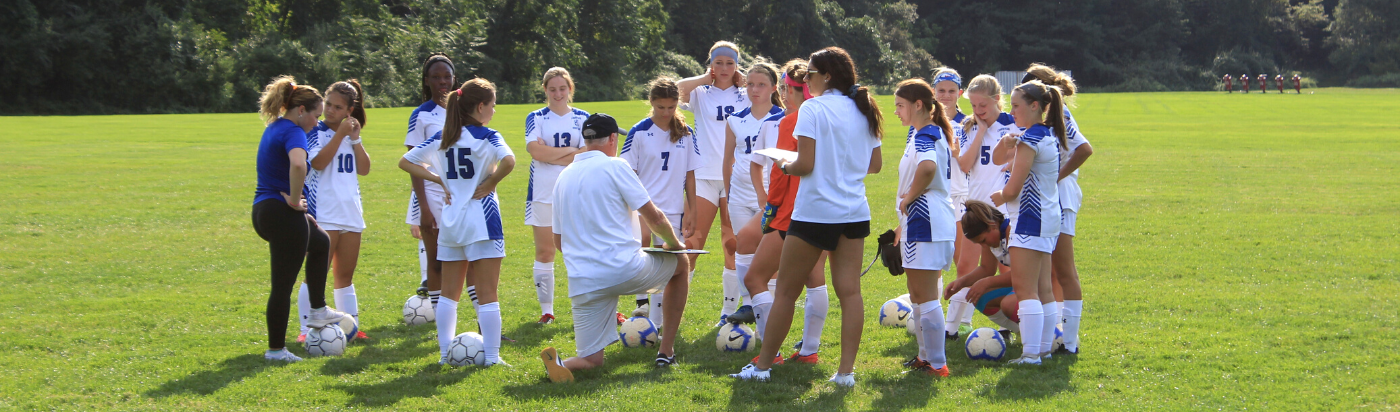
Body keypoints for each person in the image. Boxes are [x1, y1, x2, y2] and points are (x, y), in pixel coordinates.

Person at [730, 47, 883, 387]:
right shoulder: (864, 108)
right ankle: (845, 374)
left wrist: (784, 164)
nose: (806, 79)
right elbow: (875, 166)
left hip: (815, 213)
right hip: (854, 212)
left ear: (826, 75)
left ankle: (763, 367)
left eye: (810, 73)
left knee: (785, 291)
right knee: (851, 293)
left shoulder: (813, 108)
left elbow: (805, 164)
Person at [540, 113, 694, 383]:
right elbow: (654, 217)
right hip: (624, 269)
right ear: (613, 139)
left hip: (583, 282)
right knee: (681, 265)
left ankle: (563, 363)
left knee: (591, 361)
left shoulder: (563, 177)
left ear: (585, 141)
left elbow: (559, 243)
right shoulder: (616, 165)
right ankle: (666, 351)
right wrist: (674, 244)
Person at [400, 78, 516, 367]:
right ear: (480, 106)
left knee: (449, 295)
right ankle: (491, 357)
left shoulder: (443, 137)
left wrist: (437, 178)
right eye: (492, 105)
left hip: (450, 222)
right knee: (488, 293)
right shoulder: (488, 136)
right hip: (482, 221)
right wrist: (491, 183)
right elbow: (510, 161)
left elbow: (406, 161)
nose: (494, 111)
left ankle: (443, 355)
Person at [728, 59, 829, 366]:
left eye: (786, 88)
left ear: (798, 90)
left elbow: (783, 172)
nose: (783, 94)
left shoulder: (791, 122)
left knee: (755, 278)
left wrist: (770, 211)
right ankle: (810, 350)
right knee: (815, 278)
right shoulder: (825, 117)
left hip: (791, 213)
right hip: (825, 210)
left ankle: (771, 352)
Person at [250, 76, 352, 362]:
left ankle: (318, 309)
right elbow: (297, 164)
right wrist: (295, 202)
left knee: (320, 242)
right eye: (316, 115)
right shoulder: (294, 131)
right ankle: (275, 350)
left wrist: (300, 211)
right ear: (300, 111)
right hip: (281, 212)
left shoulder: (276, 127)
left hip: (264, 210)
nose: (316, 122)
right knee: (282, 285)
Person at [989, 79, 1067, 365]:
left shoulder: (1031, 140)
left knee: (1026, 289)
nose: (1013, 111)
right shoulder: (1042, 135)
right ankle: (1043, 349)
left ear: (1035, 106)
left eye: (1016, 106)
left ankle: (1031, 354)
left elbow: (1012, 189)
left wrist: (997, 197)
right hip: (1047, 219)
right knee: (1043, 288)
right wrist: (1007, 141)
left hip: (1029, 220)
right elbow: (999, 158)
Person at [677, 41, 750, 324]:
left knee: (732, 244)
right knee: (690, 242)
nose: (724, 68)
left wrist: (745, 81)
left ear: (737, 66)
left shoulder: (746, 94)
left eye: (729, 63)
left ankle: (728, 311)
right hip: (704, 177)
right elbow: (676, 89)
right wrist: (703, 78)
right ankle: (674, 310)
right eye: (718, 62)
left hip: (734, 179)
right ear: (710, 64)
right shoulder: (700, 93)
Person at [619, 77, 701, 328]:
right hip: (645, 207)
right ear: (651, 102)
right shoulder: (639, 131)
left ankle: (659, 323)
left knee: (669, 267)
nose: (666, 113)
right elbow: (627, 172)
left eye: (671, 107)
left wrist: (692, 210)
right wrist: (634, 207)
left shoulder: (686, 133)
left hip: (674, 210)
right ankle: (645, 309)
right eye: (660, 107)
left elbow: (690, 175)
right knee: (648, 258)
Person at [892, 78, 958, 377]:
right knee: (918, 293)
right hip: (923, 222)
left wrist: (908, 199)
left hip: (927, 221)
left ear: (918, 105)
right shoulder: (926, 132)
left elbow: (928, 169)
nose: (896, 112)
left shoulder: (924, 135)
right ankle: (926, 358)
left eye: (900, 105)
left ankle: (937, 363)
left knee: (926, 294)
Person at [296, 80, 372, 342]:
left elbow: (364, 169)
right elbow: (316, 163)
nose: (330, 110)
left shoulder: (350, 135)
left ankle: (352, 327)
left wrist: (355, 138)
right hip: (324, 212)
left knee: (345, 276)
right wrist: (339, 134)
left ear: (349, 111)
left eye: (337, 107)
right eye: (328, 104)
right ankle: (305, 330)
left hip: (350, 211)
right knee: (316, 273)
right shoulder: (314, 131)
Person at [1025, 64, 1092, 354]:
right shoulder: (1044, 116)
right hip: (1046, 197)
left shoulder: (1059, 113)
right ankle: (1055, 336)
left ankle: (1070, 342)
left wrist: (1056, 176)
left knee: (1064, 270)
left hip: (1060, 197)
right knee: (1049, 273)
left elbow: (1084, 149)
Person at [948, 74, 1016, 340]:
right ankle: (951, 326)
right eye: (974, 106)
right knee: (965, 264)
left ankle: (1008, 325)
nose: (977, 111)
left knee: (1006, 267)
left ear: (998, 99)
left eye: (983, 106)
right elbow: (965, 165)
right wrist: (981, 130)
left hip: (1003, 209)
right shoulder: (969, 127)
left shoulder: (1013, 124)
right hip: (975, 207)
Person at [523, 67, 590, 325]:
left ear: (570, 89)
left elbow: (586, 153)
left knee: (581, 250)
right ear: (545, 91)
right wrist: (570, 152)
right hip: (542, 191)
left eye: (562, 88)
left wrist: (551, 152)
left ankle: (585, 305)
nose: (558, 94)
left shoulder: (583, 117)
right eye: (552, 89)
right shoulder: (536, 117)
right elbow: (535, 152)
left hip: (575, 189)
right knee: (545, 251)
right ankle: (547, 311)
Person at [406, 54, 456, 309]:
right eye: (436, 77)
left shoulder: (463, 109)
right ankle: (439, 315)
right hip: (431, 193)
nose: (442, 82)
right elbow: (413, 163)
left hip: (460, 193)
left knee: (462, 258)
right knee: (436, 260)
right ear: (427, 81)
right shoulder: (421, 115)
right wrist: (422, 208)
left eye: (446, 76)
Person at [945, 201, 1020, 337]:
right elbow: (986, 269)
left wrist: (986, 282)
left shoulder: (1011, 231)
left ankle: (1043, 335)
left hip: (1041, 287)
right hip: (1026, 284)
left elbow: (1022, 275)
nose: (982, 245)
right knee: (979, 297)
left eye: (983, 240)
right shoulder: (993, 236)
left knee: (1008, 304)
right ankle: (1023, 332)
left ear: (992, 225)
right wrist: (961, 283)